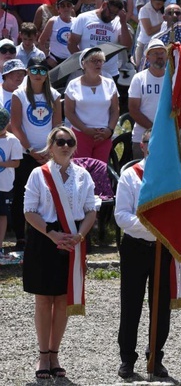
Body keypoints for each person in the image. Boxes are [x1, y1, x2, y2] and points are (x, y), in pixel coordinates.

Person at [23, 126, 97, 379]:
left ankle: (55, 353)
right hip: (46, 238)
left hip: (73, 239)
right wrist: (52, 234)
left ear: (75, 146)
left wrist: (80, 236)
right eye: (60, 141)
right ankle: (43, 355)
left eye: (70, 142)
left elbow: (91, 210)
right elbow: (29, 210)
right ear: (51, 146)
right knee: (44, 300)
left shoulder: (83, 175)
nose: (65, 146)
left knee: (63, 301)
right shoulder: (38, 174)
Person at [114, 129, 172, 379]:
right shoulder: (130, 175)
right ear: (143, 145)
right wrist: (151, 226)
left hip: (164, 248)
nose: (155, 147)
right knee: (131, 304)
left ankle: (155, 356)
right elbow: (121, 216)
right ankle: (127, 358)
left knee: (161, 306)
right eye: (151, 142)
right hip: (136, 246)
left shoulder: (173, 177)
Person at [10, 57, 62, 252]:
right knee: (21, 196)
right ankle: (21, 237)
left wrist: (49, 150)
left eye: (42, 71)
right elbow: (15, 125)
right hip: (26, 153)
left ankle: (47, 233)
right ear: (28, 72)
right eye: (34, 70)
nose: (38, 74)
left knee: (48, 195)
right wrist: (31, 149)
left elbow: (57, 125)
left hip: (49, 154)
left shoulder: (55, 95)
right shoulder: (19, 95)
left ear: (46, 73)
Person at [64, 48, 119, 161]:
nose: (98, 64)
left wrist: (109, 130)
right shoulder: (73, 85)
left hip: (103, 136)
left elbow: (115, 110)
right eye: (94, 60)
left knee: (100, 172)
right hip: (80, 135)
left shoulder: (109, 83)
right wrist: (84, 129)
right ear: (84, 64)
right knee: (81, 171)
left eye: (101, 61)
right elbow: (69, 112)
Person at [68, 0, 133, 81]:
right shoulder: (84, 18)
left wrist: (123, 22)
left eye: (115, 14)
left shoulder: (118, 22)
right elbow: (71, 43)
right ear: (104, 5)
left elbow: (127, 46)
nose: (112, 17)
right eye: (111, 12)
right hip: (86, 71)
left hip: (109, 73)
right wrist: (84, 63)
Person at [128, 40, 167, 159]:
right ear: (148, 57)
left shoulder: (173, 78)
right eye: (155, 53)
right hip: (142, 138)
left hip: (167, 137)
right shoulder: (139, 78)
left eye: (162, 53)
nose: (159, 56)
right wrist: (154, 129)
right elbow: (133, 109)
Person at [0, 108, 21, 260]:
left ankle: (0, 246)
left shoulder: (12, 140)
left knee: (2, 215)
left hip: (5, 185)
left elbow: (16, 163)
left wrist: (2, 163)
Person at [38, 0, 74, 67]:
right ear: (58, 9)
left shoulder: (76, 21)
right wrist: (47, 57)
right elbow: (41, 41)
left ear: (71, 8)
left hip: (70, 61)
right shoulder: (53, 21)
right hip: (54, 60)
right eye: (62, 6)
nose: (66, 8)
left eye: (68, 5)